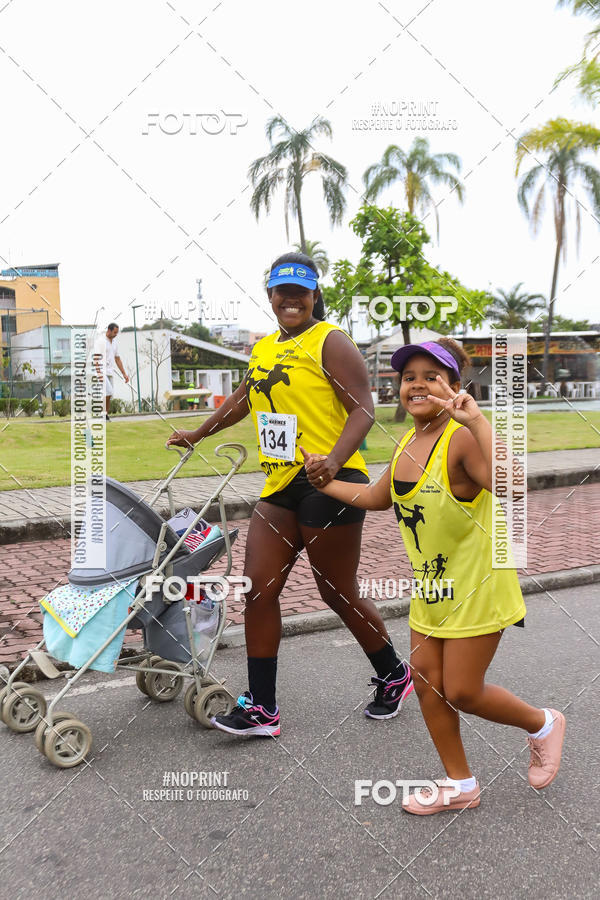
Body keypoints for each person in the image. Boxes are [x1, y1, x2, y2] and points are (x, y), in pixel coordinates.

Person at [302, 338, 565, 814]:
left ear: (455, 387)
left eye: (431, 377)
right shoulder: (408, 440)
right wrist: (325, 482)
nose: (417, 385)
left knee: (462, 690)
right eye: (409, 378)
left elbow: (513, 486)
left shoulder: (460, 437)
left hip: (478, 586)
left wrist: (477, 421)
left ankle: (543, 723)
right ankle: (460, 784)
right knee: (426, 683)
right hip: (431, 588)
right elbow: (378, 497)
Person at [167, 252, 413, 736]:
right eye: (283, 292)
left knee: (336, 590)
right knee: (258, 588)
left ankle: (394, 673)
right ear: (271, 295)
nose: (292, 300)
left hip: (332, 483)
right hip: (280, 484)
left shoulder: (331, 341)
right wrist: (198, 434)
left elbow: (364, 408)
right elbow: (242, 399)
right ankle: (262, 708)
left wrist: (334, 461)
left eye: (301, 292)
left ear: (314, 296)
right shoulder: (263, 348)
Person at [93, 323, 129, 420]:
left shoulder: (114, 343)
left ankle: (105, 414)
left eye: (117, 333)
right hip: (101, 371)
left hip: (110, 372)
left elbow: (117, 359)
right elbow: (96, 358)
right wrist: (99, 373)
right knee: (108, 391)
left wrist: (124, 374)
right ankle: (102, 414)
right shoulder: (100, 341)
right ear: (109, 330)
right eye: (114, 332)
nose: (116, 334)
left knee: (109, 394)